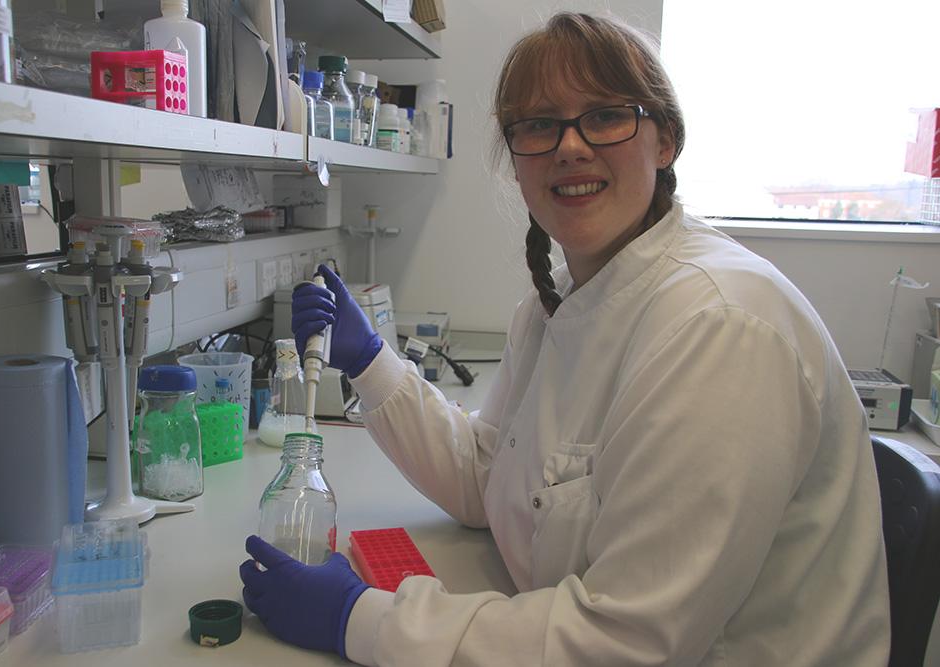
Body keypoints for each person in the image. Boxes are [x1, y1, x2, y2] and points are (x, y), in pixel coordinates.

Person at [239, 11, 890, 666]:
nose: (569, 146)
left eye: (605, 115)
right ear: (516, 160)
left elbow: (625, 641)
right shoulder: (556, 305)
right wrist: (371, 362)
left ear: (664, 140)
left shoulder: (719, 329)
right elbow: (489, 483)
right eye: (540, 124)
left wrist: (363, 618)